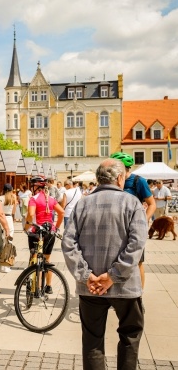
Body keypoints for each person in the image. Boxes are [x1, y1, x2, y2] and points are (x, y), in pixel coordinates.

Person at [61, 158, 148, 370]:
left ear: (98, 179)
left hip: (90, 287)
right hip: (125, 287)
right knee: (130, 336)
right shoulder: (132, 202)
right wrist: (113, 276)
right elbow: (137, 244)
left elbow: (68, 243)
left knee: (92, 340)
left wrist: (85, 275)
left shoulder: (83, 203)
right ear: (120, 178)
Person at [110, 152, 156, 289]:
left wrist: (143, 221)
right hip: (116, 227)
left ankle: (139, 294)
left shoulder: (138, 181)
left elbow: (152, 204)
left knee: (137, 262)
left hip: (134, 227)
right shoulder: (112, 180)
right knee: (115, 260)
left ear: (125, 167)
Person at [24, 176, 64, 294]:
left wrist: (26, 226)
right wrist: (56, 227)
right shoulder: (51, 198)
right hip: (49, 232)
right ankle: (48, 286)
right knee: (46, 259)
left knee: (34, 258)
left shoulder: (34, 199)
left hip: (36, 232)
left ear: (36, 187)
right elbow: (61, 212)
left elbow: (31, 215)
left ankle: (36, 286)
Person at [0, 183, 17, 273]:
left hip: (1, 219)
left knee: (1, 243)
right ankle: (6, 265)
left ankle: (1, 264)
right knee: (8, 243)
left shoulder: (0, 198)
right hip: (9, 219)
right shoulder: (13, 198)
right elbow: (13, 211)